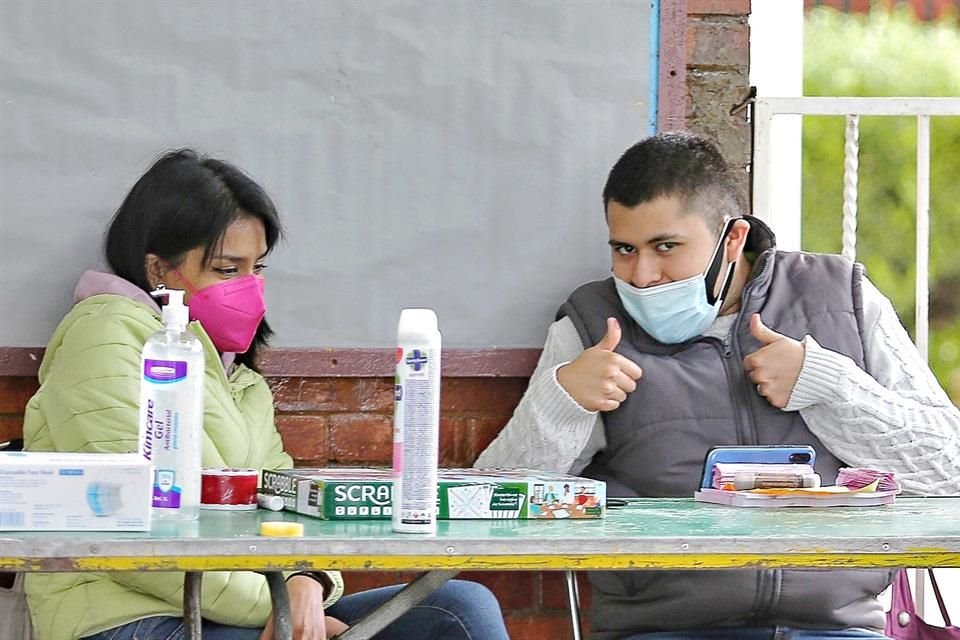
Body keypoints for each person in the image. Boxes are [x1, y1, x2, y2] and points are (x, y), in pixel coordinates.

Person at [475, 132, 960, 640]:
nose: (642, 274)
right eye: (624, 249)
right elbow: (489, 506)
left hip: (836, 629)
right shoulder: (593, 324)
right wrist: (564, 403)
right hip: (662, 631)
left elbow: (950, 473)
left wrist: (831, 387)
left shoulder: (844, 296)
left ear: (732, 240)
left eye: (666, 247)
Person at [23, 149, 510, 640]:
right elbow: (134, 530)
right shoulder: (106, 335)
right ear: (159, 270)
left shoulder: (239, 377)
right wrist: (280, 610)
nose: (250, 288)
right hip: (125, 617)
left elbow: (283, 505)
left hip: (234, 609)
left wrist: (306, 580)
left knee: (460, 608)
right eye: (227, 269)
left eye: (257, 268)